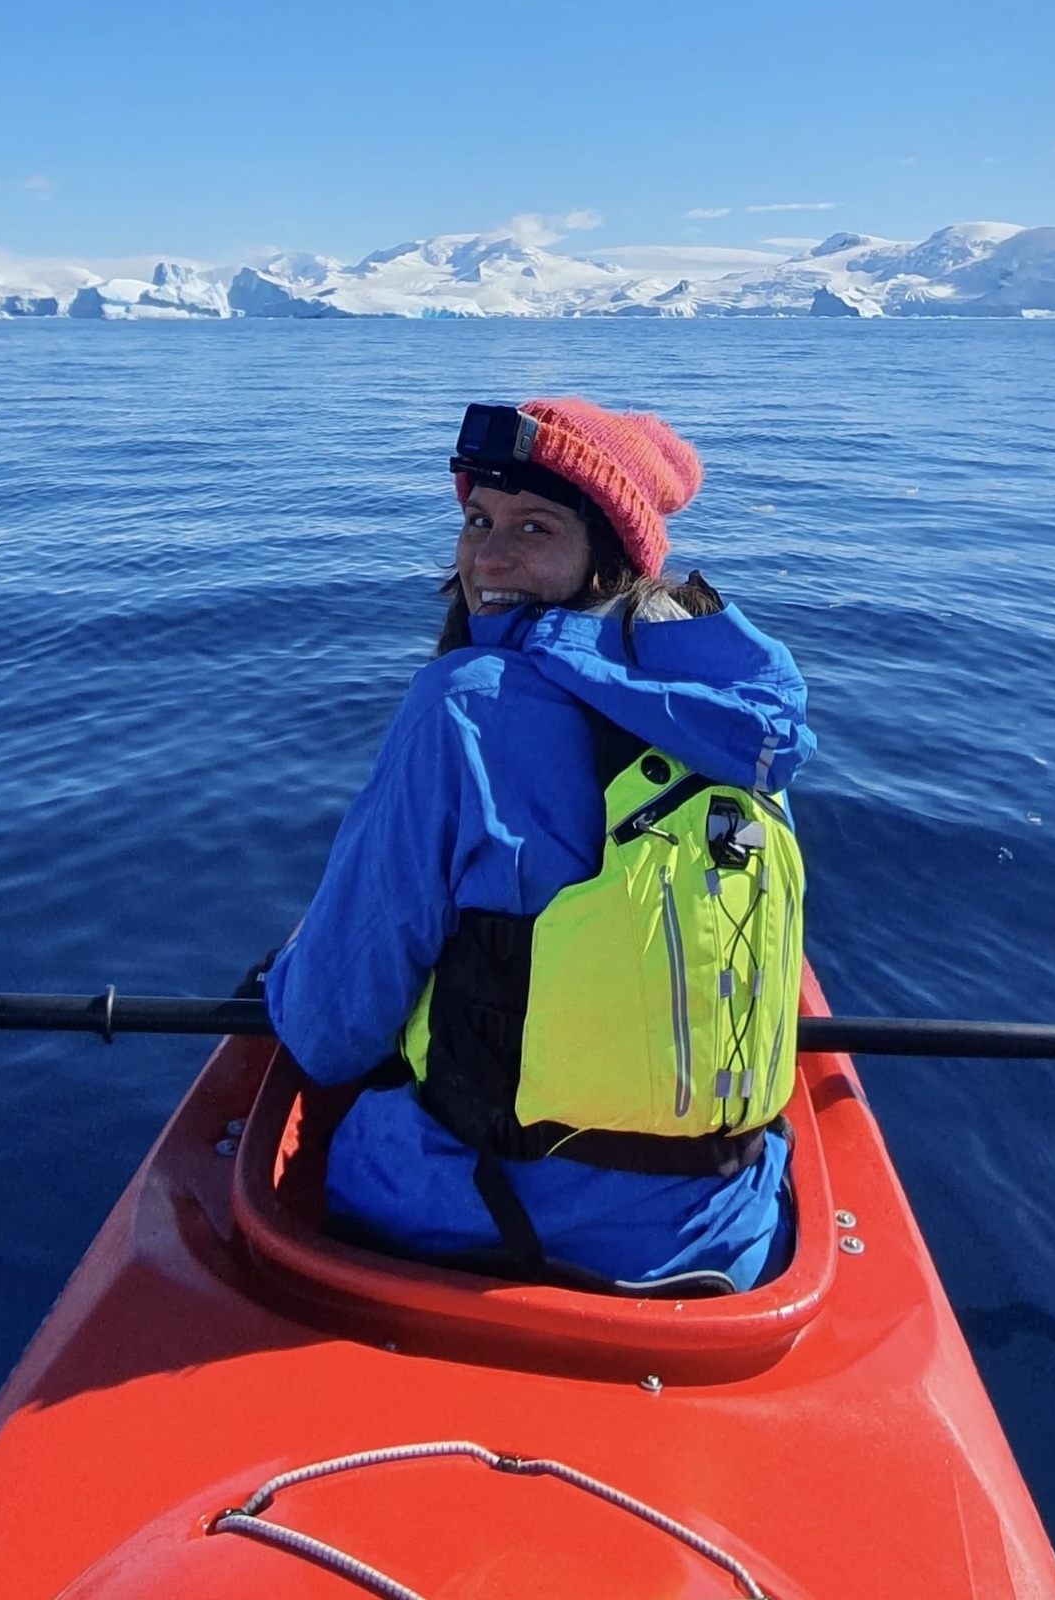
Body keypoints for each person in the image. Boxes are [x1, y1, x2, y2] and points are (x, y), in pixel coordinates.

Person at [261, 397, 816, 1292]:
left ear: (609, 558)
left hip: (470, 1227)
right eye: (478, 520)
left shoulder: (464, 705)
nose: (488, 557)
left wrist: (292, 968)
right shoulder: (744, 726)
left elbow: (329, 1034)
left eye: (535, 526)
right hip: (725, 1242)